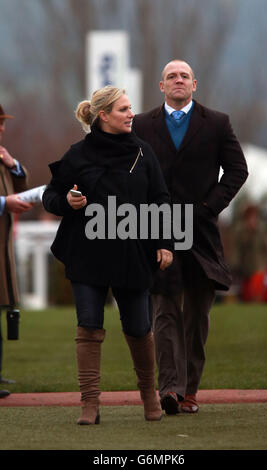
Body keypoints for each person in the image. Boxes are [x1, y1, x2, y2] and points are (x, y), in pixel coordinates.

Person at [42, 86, 173, 425]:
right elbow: (51, 195)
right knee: (88, 325)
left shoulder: (144, 153)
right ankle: (90, 404)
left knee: (139, 327)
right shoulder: (77, 154)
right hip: (87, 254)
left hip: (133, 252)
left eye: (130, 109)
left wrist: (165, 243)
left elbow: (160, 200)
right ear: (103, 115)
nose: (131, 114)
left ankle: (149, 397)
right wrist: (65, 202)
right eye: (124, 109)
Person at [132, 60, 248, 415]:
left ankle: (190, 391)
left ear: (194, 84)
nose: (178, 80)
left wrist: (208, 207)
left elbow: (238, 170)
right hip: (159, 230)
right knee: (165, 309)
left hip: (201, 233)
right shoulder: (141, 124)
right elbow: (130, 171)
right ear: (161, 85)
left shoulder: (217, 123)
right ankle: (170, 389)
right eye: (171, 76)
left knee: (197, 313)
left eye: (184, 76)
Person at [0, 104, 32, 398]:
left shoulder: (1, 155)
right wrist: (3, 204)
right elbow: (8, 199)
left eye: (2, 123)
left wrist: (14, 165)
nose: (1, 128)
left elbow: (20, 186)